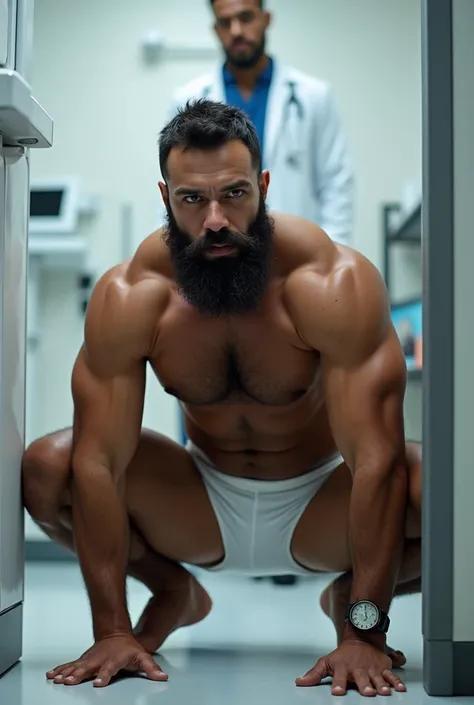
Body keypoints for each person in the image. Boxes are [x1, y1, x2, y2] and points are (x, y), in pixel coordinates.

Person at [22, 99, 421, 698]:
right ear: (165, 197)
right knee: (48, 465)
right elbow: (99, 463)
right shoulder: (135, 293)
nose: (215, 219)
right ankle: (172, 591)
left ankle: (352, 603)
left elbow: (376, 462)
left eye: (234, 194)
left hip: (321, 509)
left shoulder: (330, 282)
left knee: (440, 480)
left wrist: (367, 632)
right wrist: (111, 630)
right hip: (198, 506)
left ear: (262, 186)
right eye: (192, 200)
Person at [164, 0, 354, 246]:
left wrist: (331, 253)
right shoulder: (187, 98)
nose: (236, 31)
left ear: (266, 19)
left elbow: (336, 182)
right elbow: (175, 185)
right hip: (216, 247)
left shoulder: (314, 95)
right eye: (225, 22)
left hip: (297, 250)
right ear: (215, 29)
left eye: (245, 18)